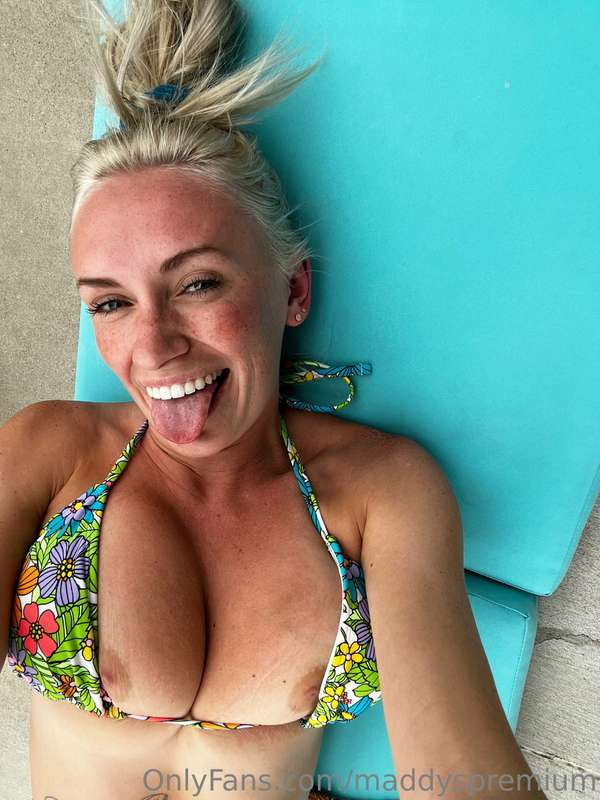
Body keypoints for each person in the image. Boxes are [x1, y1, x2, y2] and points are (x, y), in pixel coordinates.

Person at [0, 2, 548, 799]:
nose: (152, 347)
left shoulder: (383, 492)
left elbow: (467, 778)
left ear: (293, 290)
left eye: (198, 284)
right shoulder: (49, 451)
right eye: (110, 303)